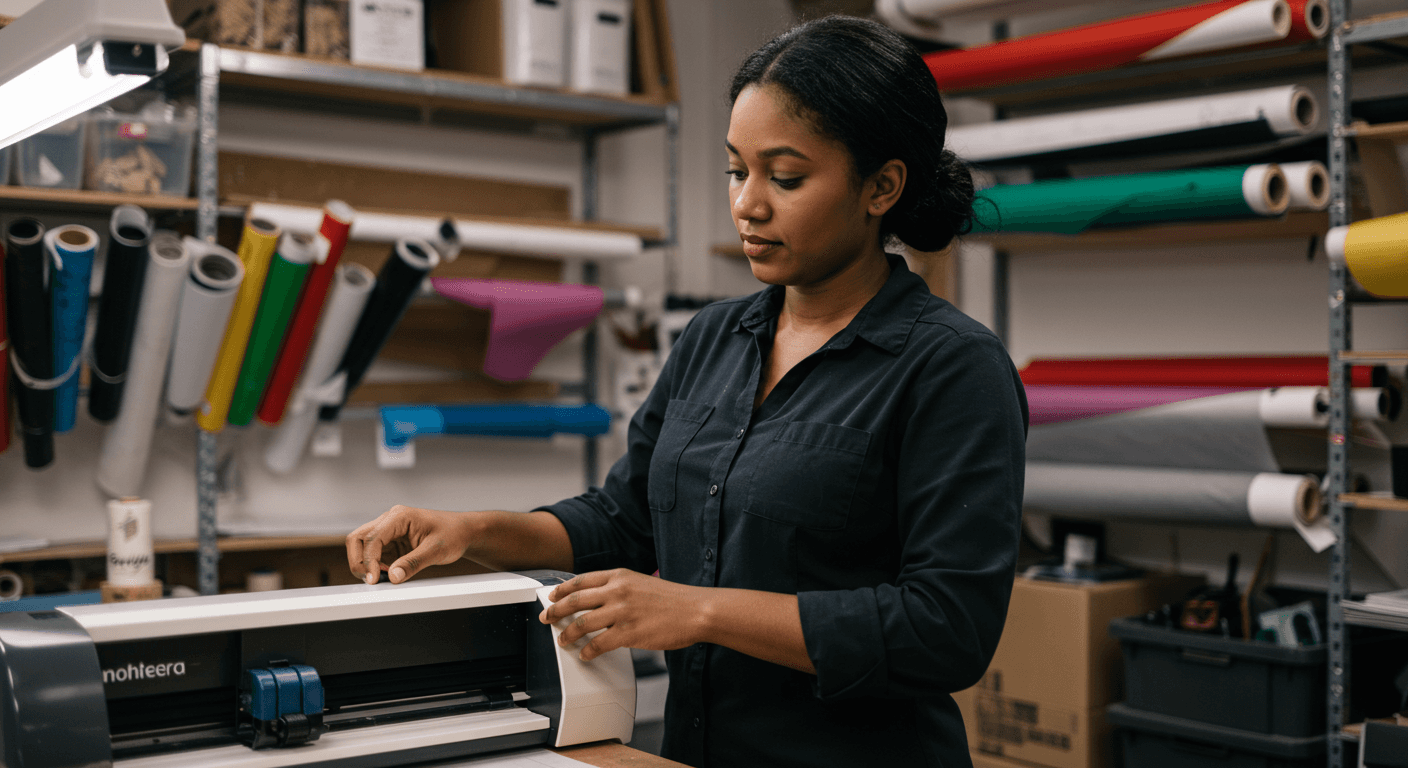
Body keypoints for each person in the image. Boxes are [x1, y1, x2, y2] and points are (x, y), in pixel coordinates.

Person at [346, 15, 1027, 768]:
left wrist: (697, 610)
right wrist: (473, 531)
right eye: (738, 171)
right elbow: (624, 519)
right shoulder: (714, 338)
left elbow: (946, 631)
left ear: (882, 186)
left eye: (787, 177)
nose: (749, 204)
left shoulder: (952, 366)